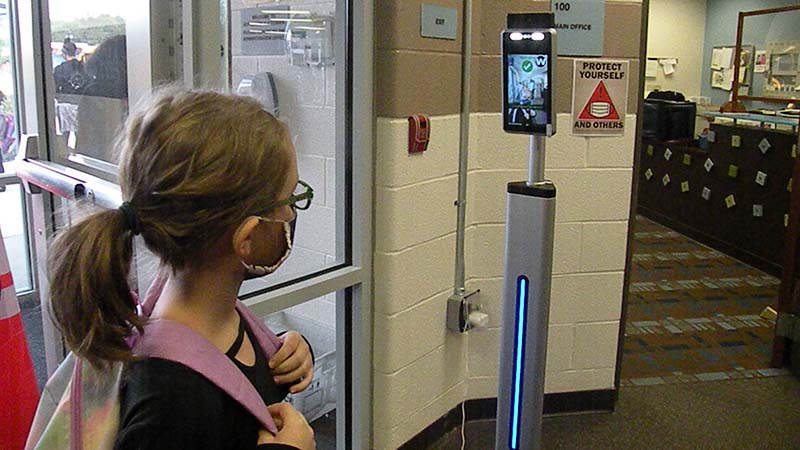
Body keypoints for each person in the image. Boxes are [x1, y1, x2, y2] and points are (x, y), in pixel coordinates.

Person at [47, 88, 317, 450]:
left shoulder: (214, 318)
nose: (290, 215)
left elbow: (234, 383)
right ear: (247, 238)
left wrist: (288, 353)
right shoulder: (172, 402)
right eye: (290, 199)